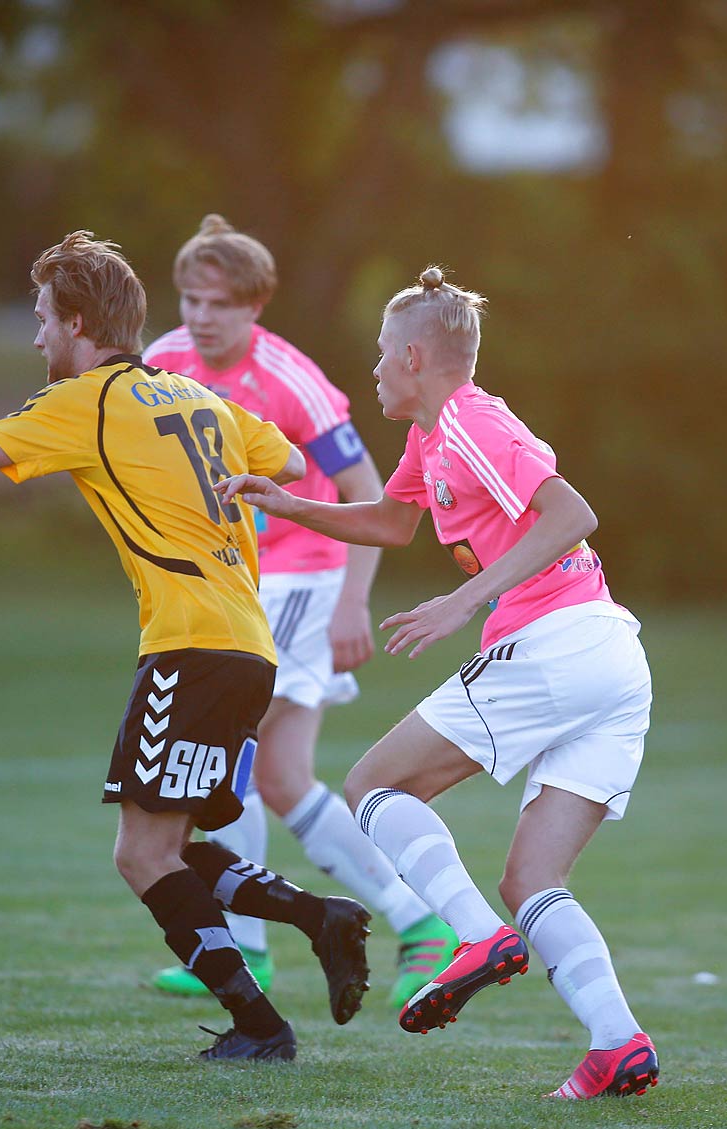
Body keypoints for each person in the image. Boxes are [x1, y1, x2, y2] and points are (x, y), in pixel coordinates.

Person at [0, 230, 371, 1062]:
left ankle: (263, 1027)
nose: (38, 337)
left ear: (77, 322)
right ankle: (323, 919)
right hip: (249, 645)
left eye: (42, 318)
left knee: (142, 855)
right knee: (169, 844)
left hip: (188, 647)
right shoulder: (193, 396)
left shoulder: (90, 401)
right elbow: (288, 459)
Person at [218, 267, 658, 1099]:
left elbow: (572, 515)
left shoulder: (474, 421)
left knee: (372, 784)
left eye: (383, 355)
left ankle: (473, 937)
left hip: (558, 642)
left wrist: (463, 601)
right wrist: (289, 504)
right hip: (610, 662)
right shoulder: (431, 439)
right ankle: (617, 1043)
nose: (376, 369)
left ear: (415, 357)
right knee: (533, 879)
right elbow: (390, 522)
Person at [144, 215, 454, 1009]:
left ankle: (246, 949)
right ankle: (420, 922)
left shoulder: (292, 377)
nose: (200, 316)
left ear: (254, 307)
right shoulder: (163, 362)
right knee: (280, 777)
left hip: (299, 577)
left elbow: (368, 491)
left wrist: (354, 599)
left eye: (217, 302)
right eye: (188, 299)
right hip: (233, 580)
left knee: (222, 750)